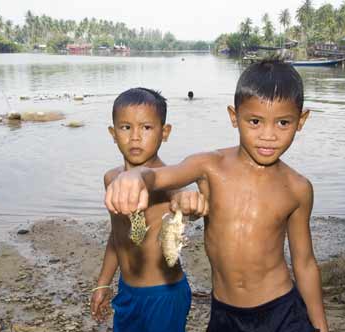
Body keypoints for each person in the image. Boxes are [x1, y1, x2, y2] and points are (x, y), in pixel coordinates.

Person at [104, 59, 329, 332]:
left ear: (301, 121)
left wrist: (321, 325)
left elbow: (304, 263)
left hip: (281, 309)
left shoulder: (298, 188)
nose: (268, 135)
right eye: (255, 121)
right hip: (225, 314)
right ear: (234, 117)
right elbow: (163, 175)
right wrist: (135, 176)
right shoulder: (209, 166)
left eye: (283, 122)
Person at [90, 87, 208, 332]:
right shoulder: (111, 178)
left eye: (146, 128)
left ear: (165, 133)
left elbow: (192, 209)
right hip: (127, 291)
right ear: (113, 133)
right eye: (125, 127)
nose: (135, 137)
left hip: (164, 294)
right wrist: (103, 283)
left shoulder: (170, 184)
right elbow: (117, 237)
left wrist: (192, 204)